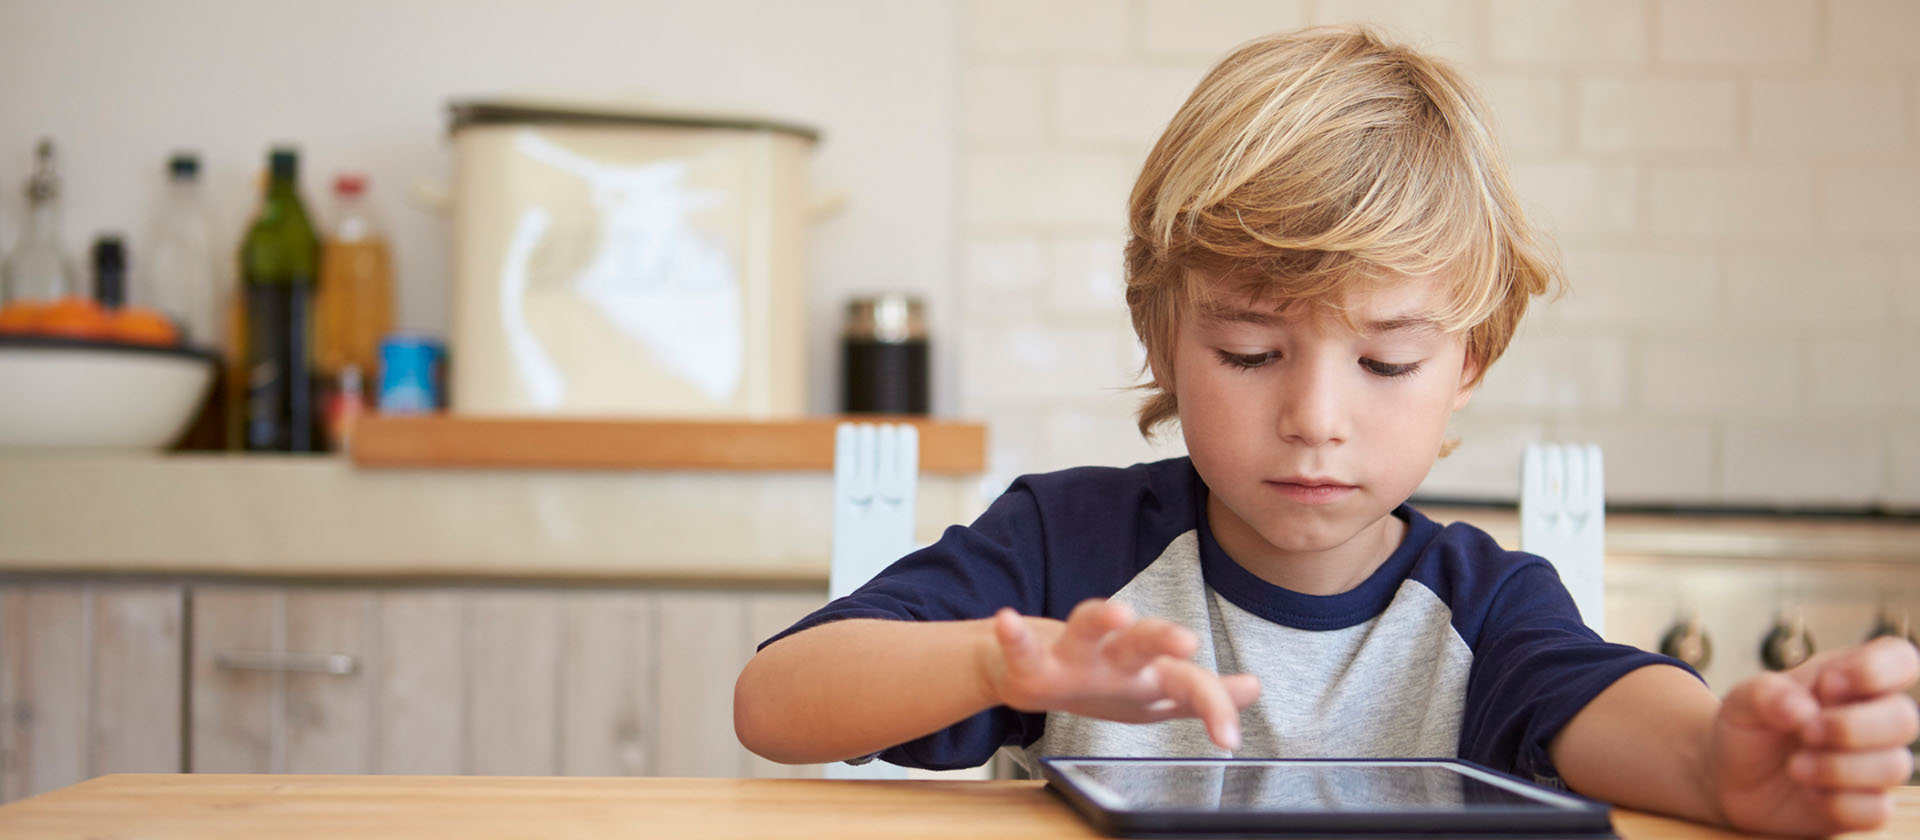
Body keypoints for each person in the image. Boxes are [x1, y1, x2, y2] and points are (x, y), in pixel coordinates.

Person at [734, 25, 1918, 836]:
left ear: (1469, 363)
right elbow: (775, 703)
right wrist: (1002, 659)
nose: (1312, 418)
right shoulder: (1071, 545)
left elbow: (1630, 722)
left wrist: (1728, 764)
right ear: (1159, 337)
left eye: (1388, 360)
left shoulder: (1486, 610)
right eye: (1250, 353)